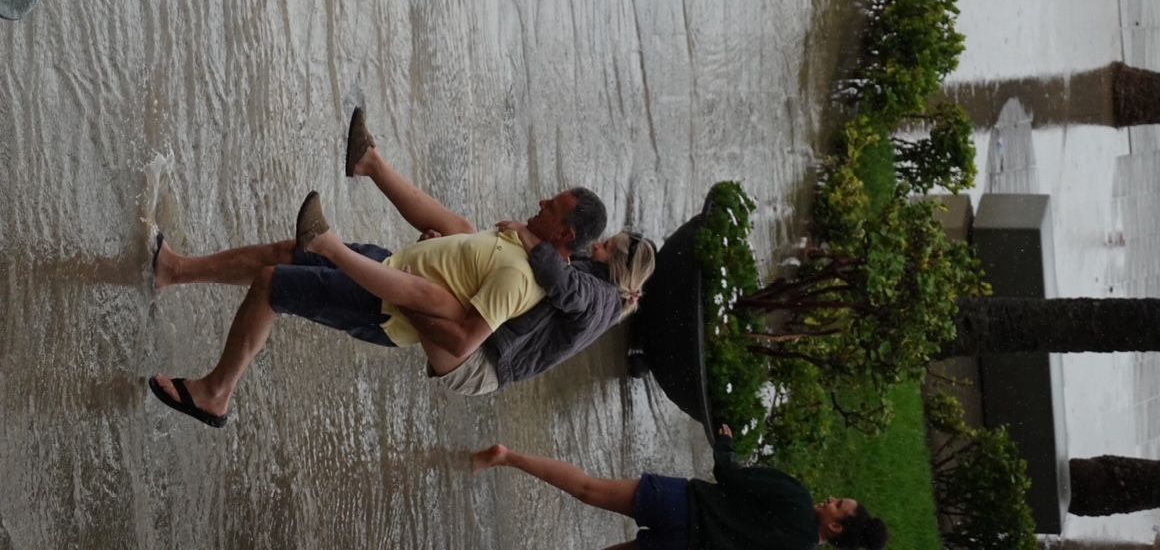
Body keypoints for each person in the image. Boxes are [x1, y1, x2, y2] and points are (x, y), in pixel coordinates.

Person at [147, 108, 652, 426]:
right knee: (284, 254)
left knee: (270, 284)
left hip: (392, 308)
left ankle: (216, 394)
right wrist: (444, 251)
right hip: (392, 266)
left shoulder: (546, 280)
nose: (541, 201)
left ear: (565, 235)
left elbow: (465, 338)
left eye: (552, 206)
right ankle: (176, 271)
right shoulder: (541, 252)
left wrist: (423, 282)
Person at [472, 428, 888, 550]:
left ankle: (508, 457)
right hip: (685, 546)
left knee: (587, 488)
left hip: (680, 502)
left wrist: (725, 444)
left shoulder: (796, 496)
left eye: (838, 504)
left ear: (836, 526)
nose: (830, 499)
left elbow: (730, 476)